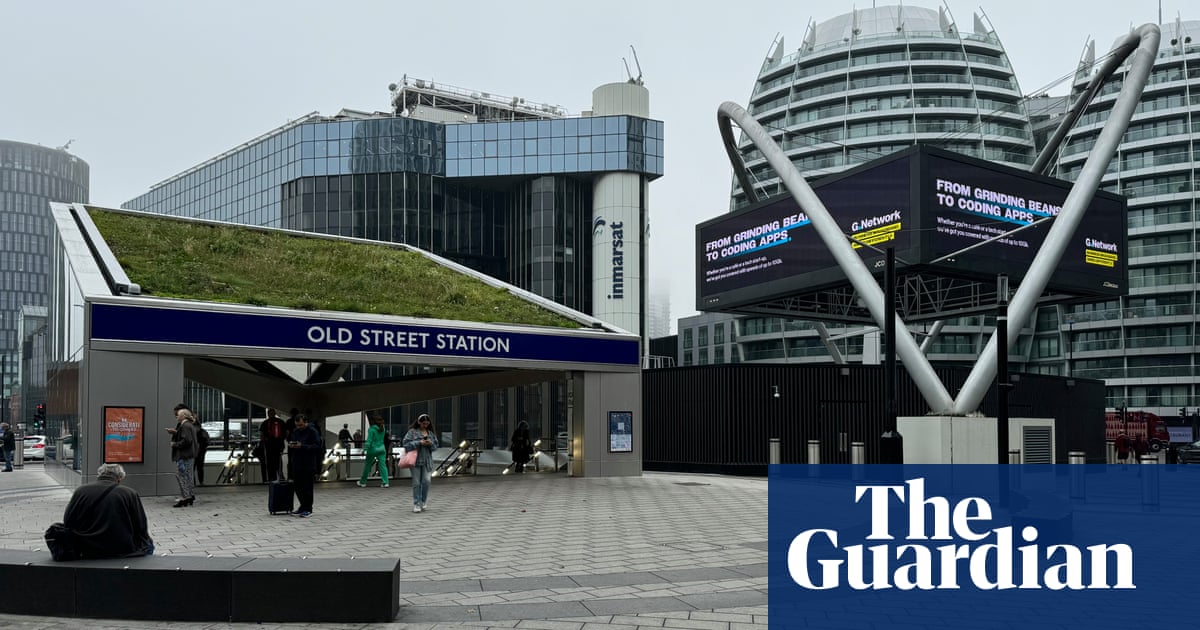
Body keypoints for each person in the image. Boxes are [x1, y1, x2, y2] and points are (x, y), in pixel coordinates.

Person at [59, 463, 154, 559]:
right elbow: (140, 525)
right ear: (120, 478)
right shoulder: (129, 493)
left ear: (99, 475)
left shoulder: (81, 491)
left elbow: (68, 520)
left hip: (86, 547)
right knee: (148, 544)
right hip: (121, 548)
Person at [402, 414, 439, 513]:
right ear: (419, 422)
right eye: (423, 423)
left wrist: (430, 444)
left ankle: (423, 500)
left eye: (427, 424)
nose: (425, 425)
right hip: (415, 461)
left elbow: (435, 446)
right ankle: (417, 503)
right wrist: (419, 443)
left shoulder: (430, 433)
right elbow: (405, 444)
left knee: (426, 481)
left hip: (427, 461)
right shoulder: (412, 432)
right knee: (416, 482)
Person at [287, 414, 322, 517]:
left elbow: (317, 446)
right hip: (297, 462)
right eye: (297, 425)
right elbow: (292, 441)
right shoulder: (295, 432)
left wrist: (302, 446)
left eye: (301, 425)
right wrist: (292, 445)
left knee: (307, 486)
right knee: (297, 486)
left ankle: (308, 508)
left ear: (306, 422)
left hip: (308, 462)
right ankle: (302, 506)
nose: (299, 427)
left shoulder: (312, 431)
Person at [167, 407, 199, 507]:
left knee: (182, 476)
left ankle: (185, 497)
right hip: (189, 455)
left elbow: (187, 440)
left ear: (183, 416)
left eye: (178, 414)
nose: (176, 416)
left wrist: (175, 444)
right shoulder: (190, 425)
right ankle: (190, 496)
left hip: (184, 455)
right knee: (188, 476)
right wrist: (176, 433)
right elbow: (188, 439)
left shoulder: (184, 426)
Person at [357, 415, 389, 488]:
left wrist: (364, 449)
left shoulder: (371, 429)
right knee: (383, 466)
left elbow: (369, 440)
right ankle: (385, 482)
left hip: (373, 449)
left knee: (367, 465)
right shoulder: (383, 428)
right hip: (382, 449)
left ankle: (363, 482)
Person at [259, 409, 286, 482]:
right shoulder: (281, 422)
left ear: (268, 414)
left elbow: (261, 434)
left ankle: (272, 477)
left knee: (270, 461)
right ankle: (280, 475)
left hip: (269, 445)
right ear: (275, 414)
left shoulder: (265, 422)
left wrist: (264, 441)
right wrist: (282, 439)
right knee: (279, 460)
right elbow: (286, 433)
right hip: (279, 444)